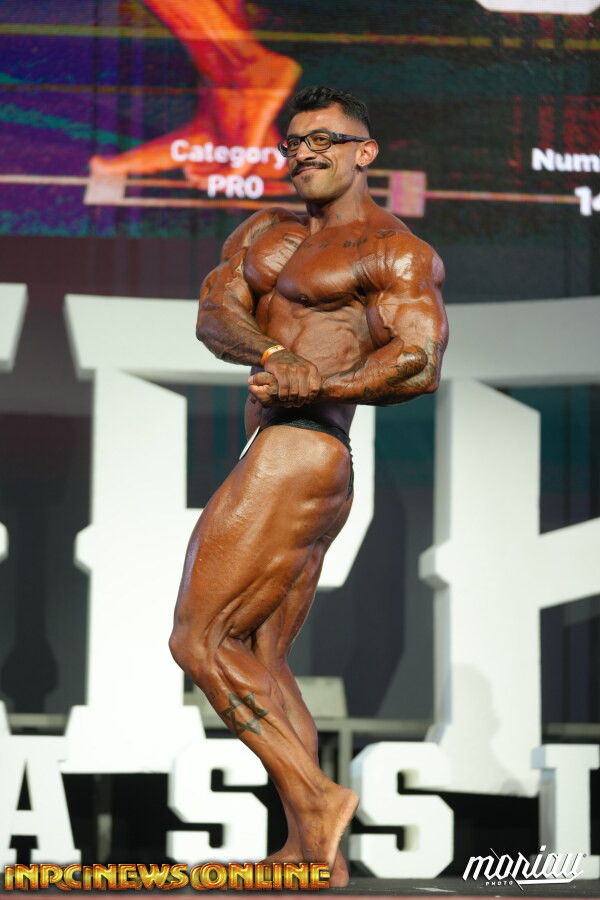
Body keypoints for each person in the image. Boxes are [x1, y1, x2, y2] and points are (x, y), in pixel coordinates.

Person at [168, 85, 448, 886]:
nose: (305, 153)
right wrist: (274, 354)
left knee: (197, 640)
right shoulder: (265, 232)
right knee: (263, 653)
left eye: (324, 139)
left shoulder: (393, 250)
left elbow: (419, 361)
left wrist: (319, 383)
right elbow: (215, 314)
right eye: (294, 142)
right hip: (287, 446)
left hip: (304, 446)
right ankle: (310, 853)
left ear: (366, 152)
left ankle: (317, 800)